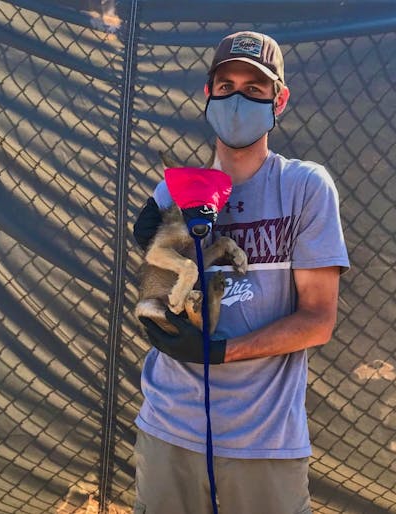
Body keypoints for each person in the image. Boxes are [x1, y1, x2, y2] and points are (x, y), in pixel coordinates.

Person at [132, 31, 350, 514]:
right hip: (170, 427)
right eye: (225, 85)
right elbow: (156, 284)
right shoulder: (175, 191)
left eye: (255, 89)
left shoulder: (304, 187)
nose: (237, 98)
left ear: (280, 100)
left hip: (263, 443)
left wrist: (219, 351)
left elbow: (318, 320)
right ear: (208, 94)